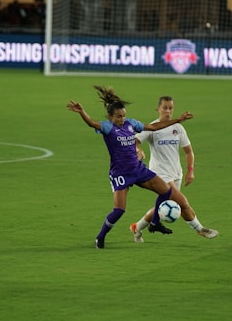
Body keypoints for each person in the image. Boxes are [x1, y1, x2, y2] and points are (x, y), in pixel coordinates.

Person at [67, 85, 197, 249]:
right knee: (119, 210)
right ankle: (100, 237)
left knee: (166, 191)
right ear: (110, 116)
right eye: (119, 117)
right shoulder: (108, 128)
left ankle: (154, 223)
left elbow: (154, 127)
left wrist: (178, 120)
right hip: (121, 173)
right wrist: (82, 112)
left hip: (138, 169)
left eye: (123, 116)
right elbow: (92, 123)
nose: (122, 119)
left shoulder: (131, 124)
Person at [130, 96, 218, 242]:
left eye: (170, 108)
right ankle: (200, 229)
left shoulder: (178, 128)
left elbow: (188, 151)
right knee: (182, 202)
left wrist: (190, 170)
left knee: (166, 206)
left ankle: (137, 227)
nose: (168, 111)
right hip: (160, 174)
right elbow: (135, 141)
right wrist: (138, 149)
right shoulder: (153, 127)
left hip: (176, 173)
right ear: (158, 109)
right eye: (165, 107)